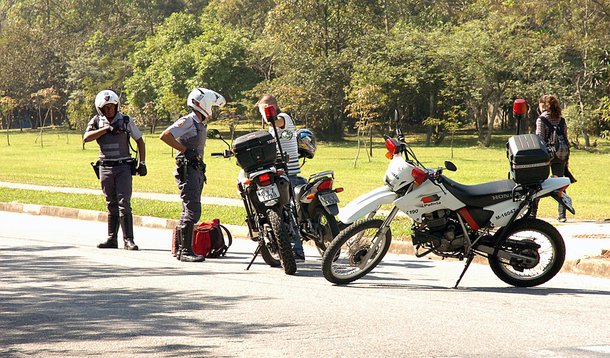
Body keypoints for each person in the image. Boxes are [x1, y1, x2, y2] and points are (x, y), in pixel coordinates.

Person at [160, 88, 225, 262]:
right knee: (192, 210)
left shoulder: (199, 123)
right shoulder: (188, 121)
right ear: (203, 105)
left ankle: (182, 250)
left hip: (196, 170)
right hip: (187, 170)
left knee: (188, 210)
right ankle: (186, 251)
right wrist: (184, 150)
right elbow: (165, 135)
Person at [83, 90, 147, 250]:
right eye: (106, 108)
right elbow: (86, 138)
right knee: (110, 203)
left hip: (123, 167)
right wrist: (106, 129)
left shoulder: (125, 120)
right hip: (105, 167)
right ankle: (112, 238)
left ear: (117, 106)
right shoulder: (97, 121)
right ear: (101, 109)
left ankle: (128, 240)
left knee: (124, 203)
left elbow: (140, 141)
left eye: (112, 107)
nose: (110, 110)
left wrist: (143, 163)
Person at [256, 94, 306, 262]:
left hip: (288, 172)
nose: (261, 114)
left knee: (288, 210)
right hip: (279, 170)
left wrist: (266, 114)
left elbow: (276, 121)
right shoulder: (273, 127)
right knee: (283, 209)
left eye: (262, 109)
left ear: (271, 106)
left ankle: (298, 251)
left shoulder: (283, 118)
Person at [533, 94, 571, 222]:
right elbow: (565, 137)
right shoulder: (561, 119)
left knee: (537, 183)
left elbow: (539, 138)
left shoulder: (541, 119)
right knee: (560, 183)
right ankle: (562, 215)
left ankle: (532, 214)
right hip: (561, 154)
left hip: (546, 155)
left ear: (542, 105)